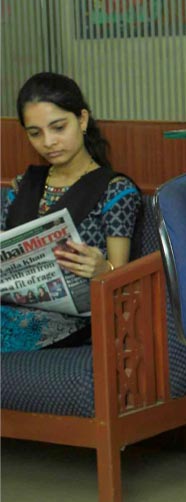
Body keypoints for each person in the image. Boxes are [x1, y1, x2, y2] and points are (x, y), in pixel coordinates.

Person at [1, 73, 142, 353]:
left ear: (82, 120)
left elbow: (122, 274)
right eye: (35, 133)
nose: (48, 142)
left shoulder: (114, 190)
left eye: (58, 127)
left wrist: (103, 269)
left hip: (72, 322)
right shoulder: (23, 186)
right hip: (13, 310)